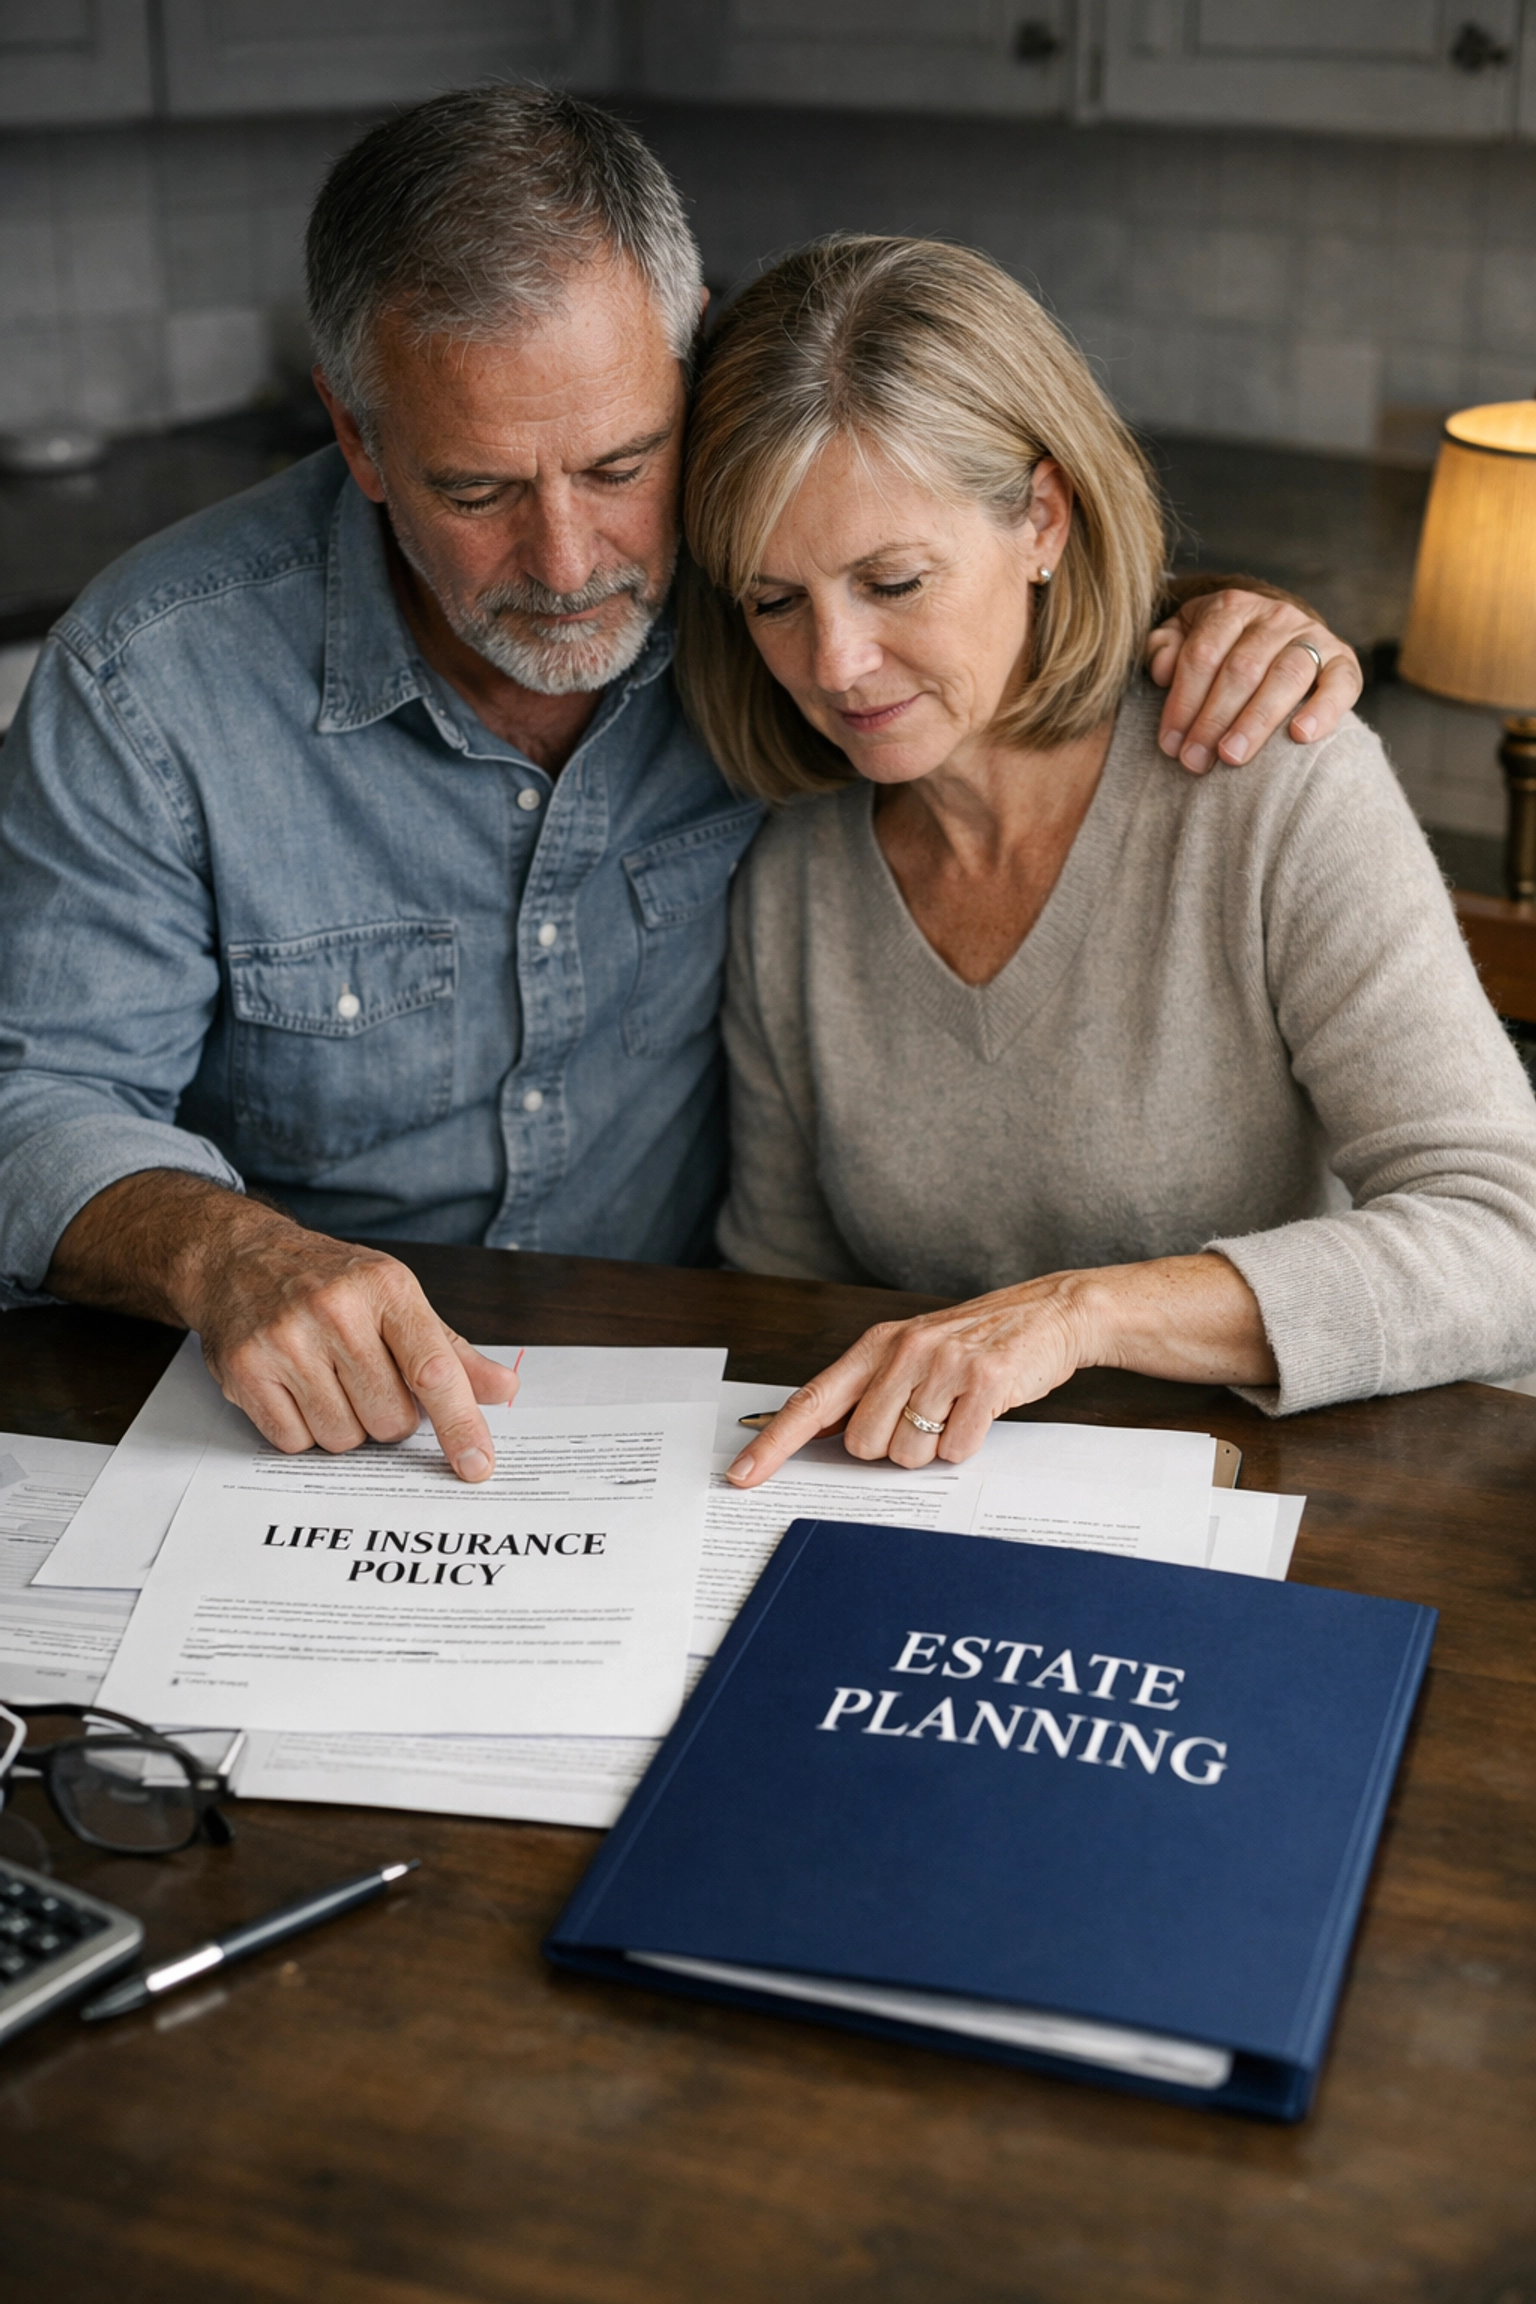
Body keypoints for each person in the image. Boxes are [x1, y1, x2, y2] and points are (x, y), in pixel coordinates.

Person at [0, 92, 1361, 1487]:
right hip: (291, 1433)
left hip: (670, 1410)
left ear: (688, 365)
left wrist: (1212, 618)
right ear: (357, 439)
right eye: (476, 493)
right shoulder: (152, 681)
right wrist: (228, 1252)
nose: (568, 562)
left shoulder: (767, 601)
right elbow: (32, 1101)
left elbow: (948, 578)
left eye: (620, 465)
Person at [664, 236, 1536, 1490]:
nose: (835, 663)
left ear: (1043, 518)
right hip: (962, 1511)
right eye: (774, 601)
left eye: (893, 581)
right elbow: (790, 1300)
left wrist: (1080, 1317)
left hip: (1318, 1502)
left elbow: (1506, 1242)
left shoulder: (1268, 781)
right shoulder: (793, 876)